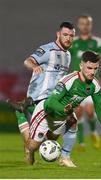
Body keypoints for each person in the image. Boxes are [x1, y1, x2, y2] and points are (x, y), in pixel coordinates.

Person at [27, 51, 101, 166]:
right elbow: (51, 102)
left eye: (95, 69)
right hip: (46, 113)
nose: (92, 72)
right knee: (34, 146)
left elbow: (99, 106)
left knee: (72, 122)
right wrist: (64, 110)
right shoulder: (69, 80)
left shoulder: (94, 85)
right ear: (81, 66)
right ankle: (30, 153)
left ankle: (65, 158)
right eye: (89, 68)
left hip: (64, 114)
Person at [8, 21, 76, 165]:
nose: (68, 38)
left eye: (71, 35)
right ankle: (62, 157)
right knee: (69, 121)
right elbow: (28, 61)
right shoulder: (47, 50)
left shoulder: (68, 55)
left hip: (55, 99)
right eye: (65, 35)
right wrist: (34, 66)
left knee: (51, 136)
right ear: (58, 34)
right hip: (40, 98)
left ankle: (21, 114)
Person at [69, 14, 101, 150]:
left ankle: (93, 132)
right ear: (78, 25)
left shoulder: (97, 42)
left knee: (90, 111)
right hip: (76, 83)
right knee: (79, 112)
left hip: (91, 83)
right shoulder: (73, 42)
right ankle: (81, 143)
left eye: (87, 24)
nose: (84, 26)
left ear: (90, 25)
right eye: (82, 23)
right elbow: (64, 56)